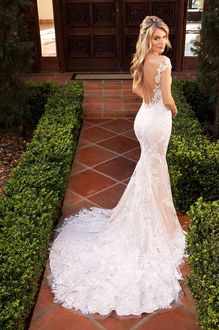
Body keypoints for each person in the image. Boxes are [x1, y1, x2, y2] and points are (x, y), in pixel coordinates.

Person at [48, 15, 187, 320]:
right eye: (156, 38)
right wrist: (174, 110)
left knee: (149, 171)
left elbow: (140, 92)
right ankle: (154, 224)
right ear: (147, 39)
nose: (161, 42)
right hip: (157, 122)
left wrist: (154, 103)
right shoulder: (164, 64)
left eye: (163, 37)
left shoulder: (141, 61)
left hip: (143, 120)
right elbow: (167, 100)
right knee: (154, 170)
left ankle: (151, 217)